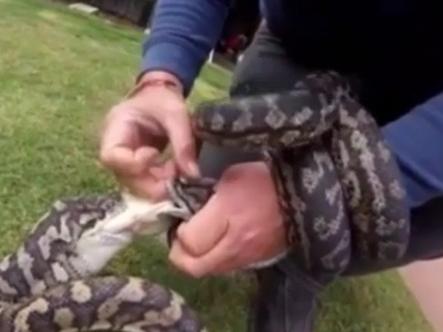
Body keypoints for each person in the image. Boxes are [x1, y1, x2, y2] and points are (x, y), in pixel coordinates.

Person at [99, 1, 443, 331]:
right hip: (303, 52)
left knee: (359, 232)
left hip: (426, 91)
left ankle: (300, 271)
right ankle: (297, 244)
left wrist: (298, 197)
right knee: (211, 207)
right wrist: (160, 77)